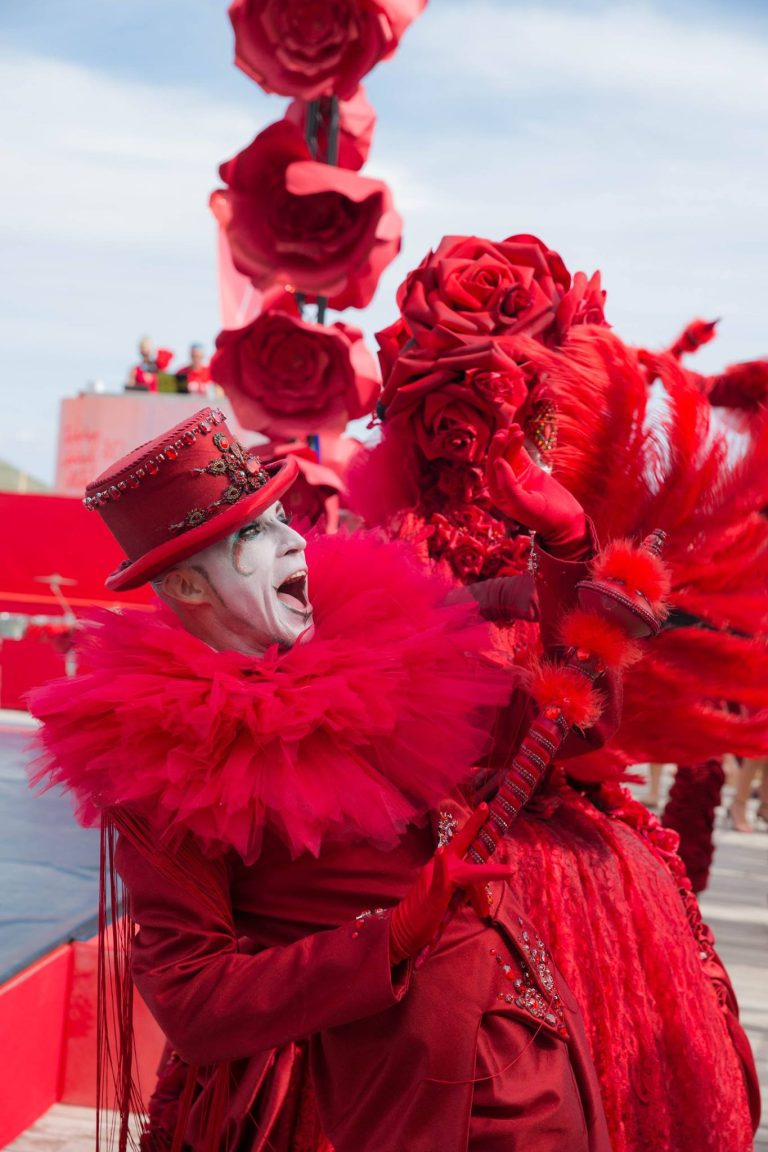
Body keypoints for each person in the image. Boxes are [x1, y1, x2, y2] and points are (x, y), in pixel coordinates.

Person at [30, 406, 628, 1152]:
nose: (291, 544)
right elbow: (193, 1001)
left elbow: (574, 728)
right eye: (250, 535)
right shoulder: (162, 759)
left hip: (528, 1068)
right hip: (359, 1107)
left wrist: (568, 547)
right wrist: (393, 936)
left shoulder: (383, 657)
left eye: (280, 517)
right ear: (186, 589)